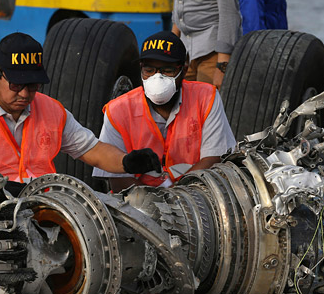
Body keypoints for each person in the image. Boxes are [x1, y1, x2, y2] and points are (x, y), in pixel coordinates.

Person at [0, 32, 161, 195]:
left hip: (43, 207)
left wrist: (127, 162)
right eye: (16, 85)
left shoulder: (52, 110)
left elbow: (94, 151)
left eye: (33, 85)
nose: (25, 94)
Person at [92, 31, 236, 192]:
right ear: (141, 69)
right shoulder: (118, 110)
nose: (157, 78)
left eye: (167, 70)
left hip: (196, 196)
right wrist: (155, 203)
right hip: (135, 203)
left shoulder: (206, 97)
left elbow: (214, 158)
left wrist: (178, 197)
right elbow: (117, 179)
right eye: (149, 70)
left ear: (184, 70)